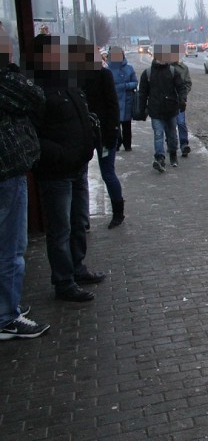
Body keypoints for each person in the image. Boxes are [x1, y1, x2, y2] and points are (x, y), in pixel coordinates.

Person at [31, 34, 105, 303]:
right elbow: (33, 135)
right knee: (60, 229)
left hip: (78, 168)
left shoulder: (66, 82)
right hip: (56, 172)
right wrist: (60, 154)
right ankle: (63, 282)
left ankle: (77, 268)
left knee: (77, 223)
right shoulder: (37, 88)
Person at [0, 28, 50, 338]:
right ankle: (7, 316)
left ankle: (8, 305)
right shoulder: (6, 81)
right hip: (6, 173)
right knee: (11, 247)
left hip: (8, 172)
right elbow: (35, 95)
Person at [82, 45, 125, 229]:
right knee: (81, 175)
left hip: (105, 133)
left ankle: (118, 212)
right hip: (85, 133)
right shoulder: (77, 78)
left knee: (107, 173)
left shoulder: (104, 75)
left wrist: (113, 131)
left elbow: (112, 105)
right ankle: (82, 219)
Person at [138, 44, 188, 172]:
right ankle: (160, 158)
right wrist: (141, 109)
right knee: (158, 134)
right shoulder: (148, 73)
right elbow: (142, 93)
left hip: (171, 109)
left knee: (172, 135)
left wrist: (182, 100)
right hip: (155, 110)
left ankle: (173, 155)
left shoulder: (172, 71)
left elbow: (181, 87)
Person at [106, 46, 137, 151]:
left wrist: (126, 86)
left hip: (127, 100)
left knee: (127, 125)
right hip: (113, 101)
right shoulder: (107, 70)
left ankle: (127, 144)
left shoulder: (129, 68)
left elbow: (135, 82)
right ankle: (117, 143)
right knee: (115, 125)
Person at [172, 55, 192, 157]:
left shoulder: (184, 68)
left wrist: (183, 94)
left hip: (180, 101)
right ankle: (172, 144)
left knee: (181, 122)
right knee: (171, 124)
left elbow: (188, 83)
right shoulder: (166, 67)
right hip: (169, 101)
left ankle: (184, 145)